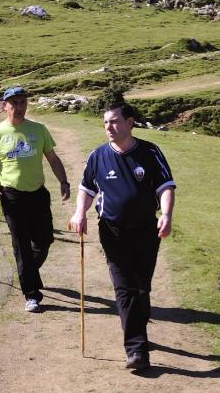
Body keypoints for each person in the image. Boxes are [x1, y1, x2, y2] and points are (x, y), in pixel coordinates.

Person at [69, 102, 175, 370]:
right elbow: (86, 188)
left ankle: (138, 322)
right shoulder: (98, 156)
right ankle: (137, 350)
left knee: (141, 287)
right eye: (105, 122)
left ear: (130, 122)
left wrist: (166, 214)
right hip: (113, 231)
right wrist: (79, 213)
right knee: (124, 288)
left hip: (146, 230)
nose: (109, 127)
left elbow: (165, 186)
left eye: (114, 121)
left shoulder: (150, 152)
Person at [0, 86, 70, 313]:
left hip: (38, 194)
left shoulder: (39, 130)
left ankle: (28, 271)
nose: (19, 107)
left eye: (22, 102)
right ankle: (31, 294)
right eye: (14, 103)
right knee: (21, 246)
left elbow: (52, 158)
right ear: (4, 106)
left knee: (44, 240)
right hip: (12, 197)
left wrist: (64, 182)